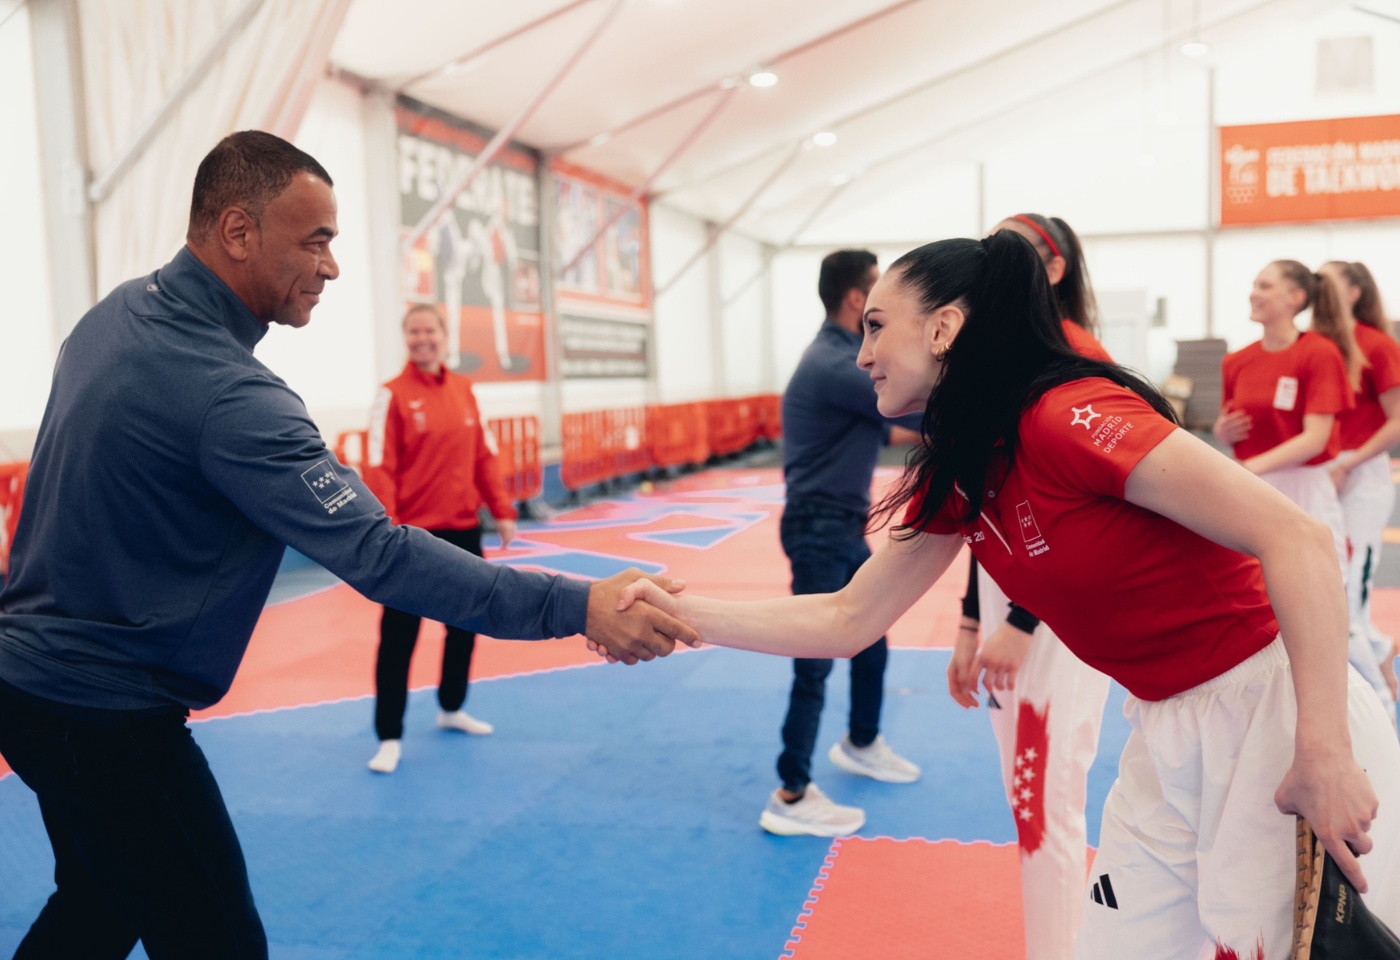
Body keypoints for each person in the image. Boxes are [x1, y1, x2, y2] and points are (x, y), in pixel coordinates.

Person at [603, 230, 1400, 958]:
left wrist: (1323, 747)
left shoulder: (1067, 416)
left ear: (944, 328)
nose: (861, 354)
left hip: (1278, 715)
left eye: (878, 327)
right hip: (1165, 727)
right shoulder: (962, 467)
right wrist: (679, 615)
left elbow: (1295, 539)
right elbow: (848, 616)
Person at [0, 131, 694, 959]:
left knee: (99, 905)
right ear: (238, 231)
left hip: (30, 690)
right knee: (218, 940)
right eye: (316, 240)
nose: (331, 267)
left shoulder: (113, 315)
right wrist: (576, 602)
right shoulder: (232, 397)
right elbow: (386, 556)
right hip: (103, 715)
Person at [950, 212, 1113, 960]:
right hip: (1013, 589)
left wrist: (1020, 618)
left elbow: (1076, 515)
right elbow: (990, 501)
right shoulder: (1004, 355)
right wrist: (969, 622)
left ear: (1050, 270)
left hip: (1054, 605)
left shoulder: (1071, 357)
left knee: (1045, 802)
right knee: (1032, 800)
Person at [760, 249, 923, 838]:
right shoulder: (837, 363)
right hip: (819, 525)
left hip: (839, 527)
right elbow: (915, 408)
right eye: (877, 299)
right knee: (815, 657)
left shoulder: (842, 363)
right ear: (856, 300)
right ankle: (790, 792)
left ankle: (859, 741)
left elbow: (894, 424)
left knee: (872, 636)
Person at [361, 304, 519, 775]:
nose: (422, 338)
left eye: (429, 330)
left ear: (444, 336)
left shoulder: (466, 391)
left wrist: (503, 509)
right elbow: (378, 467)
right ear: (405, 337)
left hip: (464, 530)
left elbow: (485, 457)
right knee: (398, 638)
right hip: (410, 537)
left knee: (465, 627)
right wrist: (385, 527)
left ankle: (452, 707)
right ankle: (388, 736)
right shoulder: (391, 396)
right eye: (413, 331)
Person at [1214, 261, 1356, 569]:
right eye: (1254, 285)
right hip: (1252, 486)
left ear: (1295, 298)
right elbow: (1228, 426)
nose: (1253, 294)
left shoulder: (1319, 353)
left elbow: (1316, 439)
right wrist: (1222, 433)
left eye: (1264, 286)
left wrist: (1249, 469)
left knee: (1317, 581)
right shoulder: (1236, 361)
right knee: (1255, 584)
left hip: (1302, 486)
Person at [1322, 260, 1400, 718]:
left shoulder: (1377, 345)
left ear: (1353, 292)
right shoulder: (1316, 347)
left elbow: (1397, 421)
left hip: (1361, 473)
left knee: (1348, 590)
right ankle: (1381, 650)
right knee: (1330, 585)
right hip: (1322, 473)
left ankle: (1379, 702)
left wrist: (1351, 462)